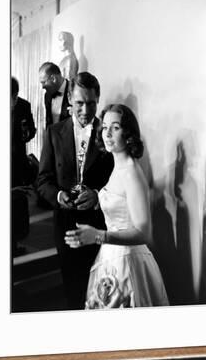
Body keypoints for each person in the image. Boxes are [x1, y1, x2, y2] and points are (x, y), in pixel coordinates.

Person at [65, 104, 169, 309]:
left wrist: (98, 235)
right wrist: (96, 199)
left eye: (115, 127)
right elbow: (119, 201)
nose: (107, 133)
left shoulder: (131, 172)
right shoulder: (116, 166)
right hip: (110, 255)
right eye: (104, 127)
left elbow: (143, 232)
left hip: (129, 259)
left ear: (128, 133)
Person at [38, 72, 114, 309]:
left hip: (98, 224)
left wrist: (97, 195)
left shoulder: (108, 133)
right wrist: (59, 196)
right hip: (66, 224)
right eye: (80, 103)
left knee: (100, 290)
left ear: (98, 100)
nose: (85, 110)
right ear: (70, 98)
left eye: (91, 103)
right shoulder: (53, 133)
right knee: (72, 288)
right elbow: (42, 180)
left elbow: (117, 180)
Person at [11, 77, 36, 187]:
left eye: (14, 98)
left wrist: (27, 133)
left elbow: (32, 130)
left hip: (18, 160)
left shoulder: (24, 106)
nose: (12, 104)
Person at [39, 62, 70, 128]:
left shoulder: (74, 91)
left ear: (53, 79)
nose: (42, 87)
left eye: (44, 82)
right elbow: (48, 122)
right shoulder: (47, 95)